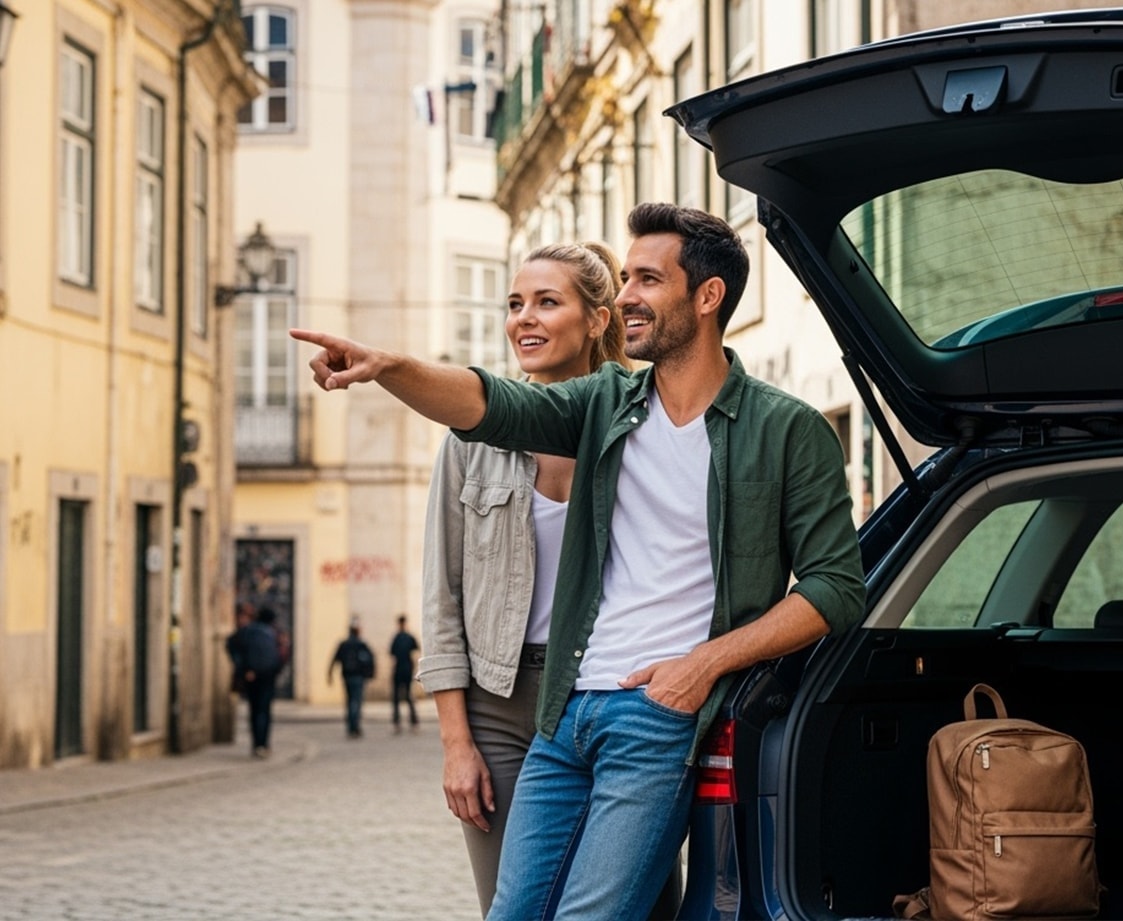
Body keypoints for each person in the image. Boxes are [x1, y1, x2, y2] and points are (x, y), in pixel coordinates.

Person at [292, 202, 866, 921]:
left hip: (655, 715)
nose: (626, 295)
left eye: (647, 279)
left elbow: (835, 588)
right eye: (625, 279)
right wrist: (388, 367)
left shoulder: (786, 430)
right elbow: (491, 405)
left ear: (708, 296)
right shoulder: (605, 405)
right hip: (564, 716)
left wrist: (703, 664)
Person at [417, 241, 629, 916]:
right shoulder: (470, 439)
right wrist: (457, 744)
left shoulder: (640, 430)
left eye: (546, 302)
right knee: (514, 905)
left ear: (596, 320)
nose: (523, 319)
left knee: (637, 901)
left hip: (607, 695)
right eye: (514, 304)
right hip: (499, 707)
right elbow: (441, 599)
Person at [226, 605, 283, 758]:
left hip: (251, 676)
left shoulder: (247, 631)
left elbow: (231, 644)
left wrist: (243, 669)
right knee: (264, 711)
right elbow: (280, 655)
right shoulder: (272, 633)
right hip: (268, 677)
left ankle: (257, 744)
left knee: (255, 710)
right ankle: (263, 744)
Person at [328, 619, 375, 738]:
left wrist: (329, 674)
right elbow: (370, 660)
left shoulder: (344, 644)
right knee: (356, 702)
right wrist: (370, 675)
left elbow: (334, 660)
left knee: (349, 702)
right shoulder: (361, 645)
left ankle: (351, 726)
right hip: (358, 676)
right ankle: (355, 726)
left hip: (347, 676)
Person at [388, 614, 421, 734]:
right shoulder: (404, 637)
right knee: (401, 697)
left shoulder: (400, 638)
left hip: (403, 669)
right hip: (403, 669)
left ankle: (409, 721)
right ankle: (403, 722)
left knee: (404, 696)